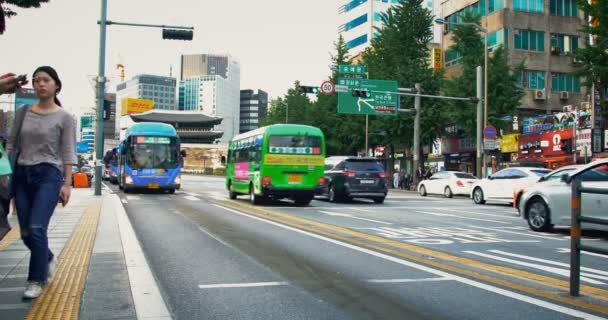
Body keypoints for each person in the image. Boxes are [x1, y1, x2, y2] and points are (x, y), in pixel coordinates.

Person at [7, 66, 77, 299]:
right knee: (26, 232)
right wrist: (6, 173)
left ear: (56, 85)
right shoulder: (23, 111)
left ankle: (35, 279)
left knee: (37, 227)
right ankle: (46, 257)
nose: (40, 84)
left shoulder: (64, 117)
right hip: (21, 174)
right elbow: (11, 144)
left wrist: (66, 184)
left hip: (49, 175)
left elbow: (68, 152)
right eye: (36, 80)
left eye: (45, 80)